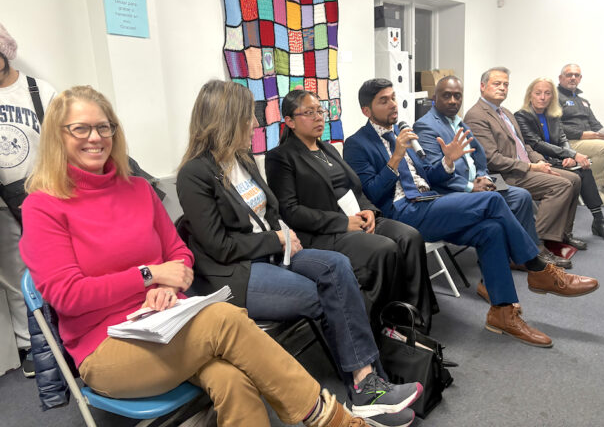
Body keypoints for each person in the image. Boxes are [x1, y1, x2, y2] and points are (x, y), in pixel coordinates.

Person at [18, 85, 371, 427]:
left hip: (165, 320)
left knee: (233, 380)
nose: (94, 137)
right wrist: (150, 276)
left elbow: (180, 256)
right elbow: (68, 295)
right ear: (57, 136)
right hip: (104, 346)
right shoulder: (43, 205)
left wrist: (169, 286)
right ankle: (330, 418)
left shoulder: (138, 189)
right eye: (80, 128)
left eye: (103, 127)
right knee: (223, 318)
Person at [176, 80, 421, 427]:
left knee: (338, 267)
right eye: (248, 117)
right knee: (323, 294)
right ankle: (366, 388)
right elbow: (220, 247)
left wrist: (282, 234)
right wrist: (278, 239)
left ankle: (367, 384)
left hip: (274, 255)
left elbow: (269, 211)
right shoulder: (194, 174)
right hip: (237, 273)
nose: (254, 124)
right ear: (226, 118)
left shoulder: (242, 160)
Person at [343, 78, 600, 349]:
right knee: (491, 202)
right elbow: (371, 193)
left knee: (491, 230)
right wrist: (394, 158)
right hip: (402, 211)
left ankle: (502, 312)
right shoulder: (357, 144)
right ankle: (538, 268)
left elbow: (429, 175)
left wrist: (447, 160)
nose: (393, 104)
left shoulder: (402, 133)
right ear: (366, 110)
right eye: (384, 101)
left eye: (393, 97)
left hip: (429, 201)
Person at [265, 89, 438, 331]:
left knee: (409, 237)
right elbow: (291, 211)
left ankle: (416, 324)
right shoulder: (280, 157)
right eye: (309, 113)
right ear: (290, 121)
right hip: (324, 233)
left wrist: (368, 211)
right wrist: (342, 222)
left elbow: (355, 188)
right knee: (385, 249)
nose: (318, 117)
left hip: (357, 219)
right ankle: (379, 326)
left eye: (319, 111)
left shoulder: (328, 149)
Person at [413, 75, 571, 268]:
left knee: (521, 197)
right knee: (507, 200)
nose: (453, 101)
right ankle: (530, 255)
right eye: (447, 96)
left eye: (457, 96)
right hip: (454, 190)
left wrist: (484, 176)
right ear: (434, 98)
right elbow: (434, 173)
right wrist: (471, 186)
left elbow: (480, 157)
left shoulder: (458, 121)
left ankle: (522, 253)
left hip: (480, 181)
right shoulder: (425, 126)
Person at [463, 67, 587, 251]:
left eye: (505, 84)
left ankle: (561, 235)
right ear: (482, 86)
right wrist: (531, 167)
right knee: (560, 185)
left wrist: (539, 162)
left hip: (522, 169)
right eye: (497, 84)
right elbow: (492, 159)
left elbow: (524, 146)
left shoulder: (505, 112)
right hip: (500, 175)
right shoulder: (476, 115)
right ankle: (535, 245)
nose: (502, 88)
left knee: (575, 179)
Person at [0, 22, 57, 377]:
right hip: (2, 205)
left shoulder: (40, 91)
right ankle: (29, 346)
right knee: (15, 277)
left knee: (53, 268)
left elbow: (63, 142)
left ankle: (62, 337)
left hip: (44, 196)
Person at [515, 77, 604, 243]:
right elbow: (536, 143)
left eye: (547, 93)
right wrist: (569, 155)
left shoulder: (554, 115)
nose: (542, 97)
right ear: (530, 95)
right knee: (576, 177)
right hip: (539, 162)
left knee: (584, 168)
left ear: (552, 97)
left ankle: (599, 220)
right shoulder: (521, 116)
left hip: (558, 159)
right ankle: (563, 233)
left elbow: (563, 138)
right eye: (538, 93)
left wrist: (571, 156)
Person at [557, 63, 604, 204]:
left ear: (580, 78)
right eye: (569, 75)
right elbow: (556, 126)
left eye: (577, 75)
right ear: (561, 78)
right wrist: (582, 134)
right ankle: (593, 190)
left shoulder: (583, 101)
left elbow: (594, 122)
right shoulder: (555, 97)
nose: (573, 78)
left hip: (588, 138)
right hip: (570, 141)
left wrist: (601, 133)